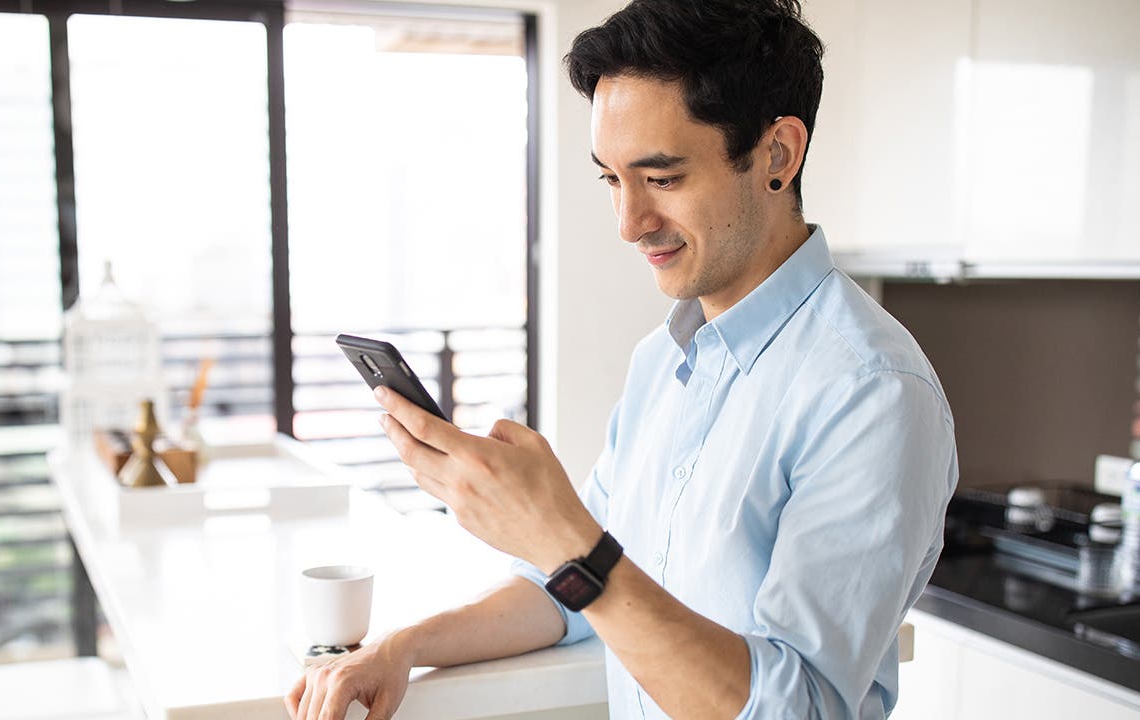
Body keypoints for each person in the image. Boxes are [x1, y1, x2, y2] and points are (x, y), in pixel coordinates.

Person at [285, 0, 958, 717]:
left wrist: (560, 533)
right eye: (611, 178)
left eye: (662, 178)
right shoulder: (661, 364)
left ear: (777, 156)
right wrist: (403, 644)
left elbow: (799, 706)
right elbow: (567, 596)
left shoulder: (872, 391)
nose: (629, 223)